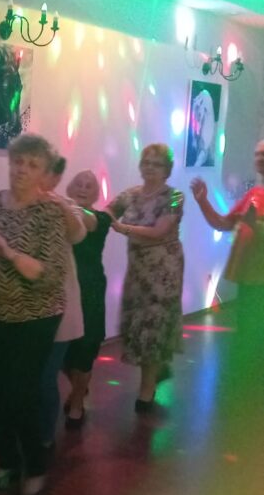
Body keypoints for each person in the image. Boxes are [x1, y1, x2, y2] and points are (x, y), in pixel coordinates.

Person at [0, 134, 68, 495]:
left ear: (45, 173)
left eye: (32, 165)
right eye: (18, 162)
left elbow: (49, 275)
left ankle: (35, 467)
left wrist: (7, 252)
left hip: (36, 316)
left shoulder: (49, 213)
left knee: (20, 394)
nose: (22, 170)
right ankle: (7, 461)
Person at [107, 144, 184, 411]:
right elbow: (106, 211)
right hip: (138, 268)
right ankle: (157, 369)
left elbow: (160, 230)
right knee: (137, 323)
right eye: (146, 162)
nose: (150, 167)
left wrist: (122, 228)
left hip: (164, 271)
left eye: (157, 164)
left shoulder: (175, 197)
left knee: (153, 323)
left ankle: (147, 388)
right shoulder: (129, 194)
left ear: (167, 170)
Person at [190, 139, 264, 398]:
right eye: (257, 154)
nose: (260, 159)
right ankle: (246, 389)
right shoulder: (254, 194)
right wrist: (203, 202)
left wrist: (256, 226)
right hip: (250, 279)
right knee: (248, 332)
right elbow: (222, 223)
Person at [38, 154, 86, 447]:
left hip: (59, 309)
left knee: (45, 378)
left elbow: (78, 232)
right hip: (22, 313)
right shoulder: (9, 204)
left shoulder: (65, 206)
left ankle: (44, 440)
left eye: (41, 170)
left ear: (56, 179)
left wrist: (59, 205)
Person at [63, 170, 113, 427]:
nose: (83, 189)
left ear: (95, 194)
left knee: (85, 348)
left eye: (89, 186)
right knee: (63, 352)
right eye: (79, 184)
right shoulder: (60, 214)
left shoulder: (101, 219)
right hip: (63, 291)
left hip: (90, 291)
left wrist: (63, 205)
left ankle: (77, 403)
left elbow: (88, 222)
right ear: (70, 188)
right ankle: (78, 389)